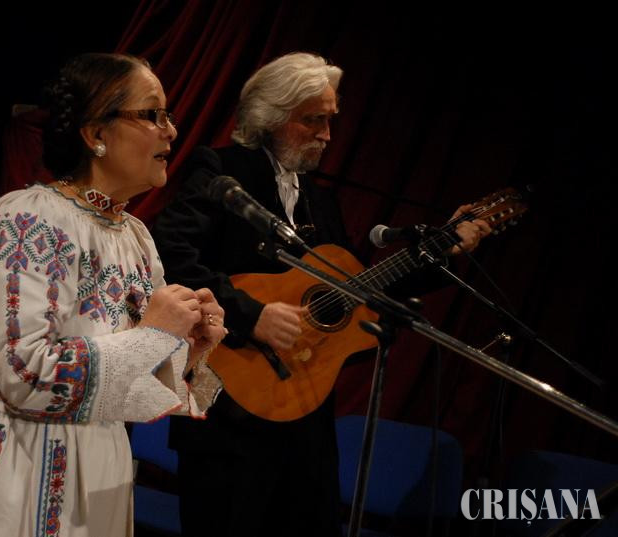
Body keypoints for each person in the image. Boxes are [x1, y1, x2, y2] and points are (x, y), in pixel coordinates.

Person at [0, 52, 226, 537]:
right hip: (12, 459)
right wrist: (152, 335)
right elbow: (22, 373)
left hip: (97, 466)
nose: (170, 130)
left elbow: (131, 391)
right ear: (96, 133)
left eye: (167, 116)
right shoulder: (26, 219)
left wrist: (187, 351)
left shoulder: (136, 238)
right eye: (152, 114)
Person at [151, 52, 491, 537]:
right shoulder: (221, 172)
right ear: (271, 116)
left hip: (304, 414)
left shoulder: (319, 200)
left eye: (330, 121)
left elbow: (359, 290)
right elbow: (170, 257)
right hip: (228, 415)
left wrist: (444, 252)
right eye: (313, 120)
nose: (327, 136)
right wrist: (251, 315)